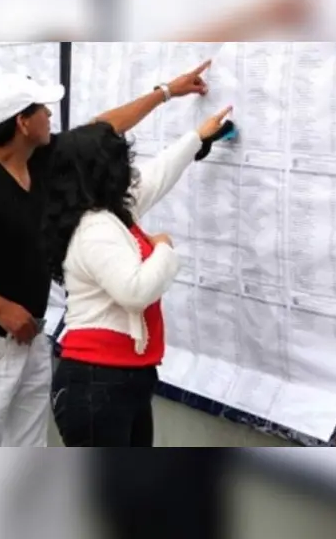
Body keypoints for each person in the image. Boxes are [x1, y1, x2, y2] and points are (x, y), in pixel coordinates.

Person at [0, 62, 213, 447]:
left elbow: (102, 128)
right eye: (43, 110)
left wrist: (166, 92)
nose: (51, 116)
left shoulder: (40, 159)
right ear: (23, 122)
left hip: (31, 338)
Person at [44, 105, 233, 447]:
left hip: (122, 377)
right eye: (121, 161)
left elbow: (157, 176)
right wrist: (164, 248)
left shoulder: (109, 211)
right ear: (102, 170)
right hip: (96, 382)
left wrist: (196, 139)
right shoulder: (94, 227)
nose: (129, 169)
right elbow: (135, 290)